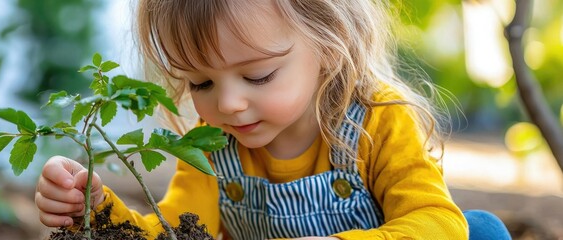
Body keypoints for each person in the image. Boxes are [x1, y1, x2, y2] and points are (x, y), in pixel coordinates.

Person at [34, 0, 512, 239]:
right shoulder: (211, 148)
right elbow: (180, 233)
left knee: (482, 229)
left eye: (258, 76)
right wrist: (92, 209)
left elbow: (438, 221)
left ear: (327, 46)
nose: (229, 105)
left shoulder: (376, 122)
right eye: (201, 84)